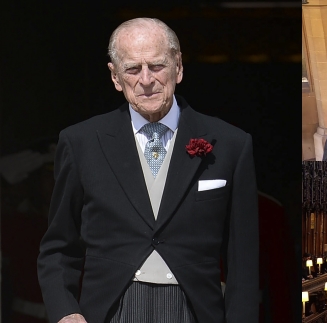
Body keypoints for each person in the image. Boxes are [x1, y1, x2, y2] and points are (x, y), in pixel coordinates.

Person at [36, 18, 258, 323]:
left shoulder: (231, 143)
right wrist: (65, 312)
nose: (146, 80)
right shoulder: (81, 142)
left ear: (178, 67)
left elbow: (243, 260)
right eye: (132, 69)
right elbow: (59, 245)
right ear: (115, 77)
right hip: (111, 311)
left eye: (156, 66)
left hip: (195, 311)